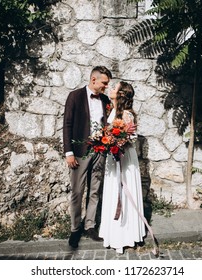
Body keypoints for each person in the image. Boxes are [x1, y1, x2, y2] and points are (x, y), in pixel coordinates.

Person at [63, 66, 113, 249]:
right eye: (104, 83)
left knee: (94, 190)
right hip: (79, 152)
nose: (106, 87)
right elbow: (67, 124)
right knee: (77, 192)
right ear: (94, 80)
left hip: (100, 151)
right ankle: (75, 229)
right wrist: (69, 152)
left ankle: (90, 225)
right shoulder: (74, 96)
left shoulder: (106, 100)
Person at [98, 81, 146, 254]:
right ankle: (113, 233)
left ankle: (124, 236)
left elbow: (131, 138)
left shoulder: (127, 114)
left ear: (121, 94)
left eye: (114, 88)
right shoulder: (113, 110)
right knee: (113, 190)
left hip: (124, 158)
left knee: (124, 192)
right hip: (113, 157)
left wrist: (117, 143)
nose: (110, 89)